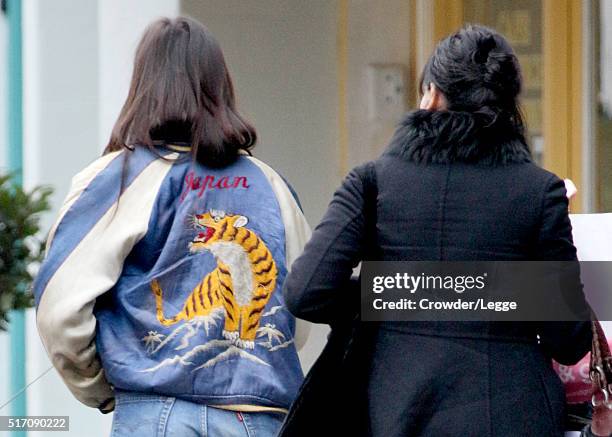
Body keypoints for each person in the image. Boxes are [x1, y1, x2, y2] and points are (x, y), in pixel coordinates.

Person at [281, 25, 592, 436]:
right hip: (513, 413)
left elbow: (306, 292)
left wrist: (395, 290)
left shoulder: (373, 182)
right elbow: (570, 339)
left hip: (395, 411)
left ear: (432, 94)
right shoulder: (540, 191)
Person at [33, 16, 310, 437]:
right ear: (220, 86)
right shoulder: (270, 184)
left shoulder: (115, 178)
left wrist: (100, 386)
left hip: (157, 414)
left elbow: (60, 309)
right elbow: (300, 313)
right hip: (258, 418)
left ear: (143, 86)